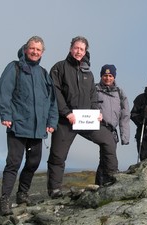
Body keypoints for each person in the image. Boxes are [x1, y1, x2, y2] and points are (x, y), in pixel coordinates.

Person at [47, 36, 118, 198]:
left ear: (85, 51)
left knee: (108, 140)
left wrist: (96, 112)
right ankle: (54, 190)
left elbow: (92, 96)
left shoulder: (89, 74)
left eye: (82, 49)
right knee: (58, 156)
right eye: (76, 48)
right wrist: (66, 113)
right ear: (71, 48)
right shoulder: (59, 68)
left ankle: (112, 176)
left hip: (86, 119)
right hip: (66, 120)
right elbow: (55, 93)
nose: (79, 52)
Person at [0, 36, 58, 216]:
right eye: (32, 48)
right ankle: (5, 199)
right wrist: (5, 115)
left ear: (42, 52)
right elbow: (3, 91)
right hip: (18, 125)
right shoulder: (14, 67)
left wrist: (51, 122)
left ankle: (22, 193)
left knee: (33, 162)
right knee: (13, 163)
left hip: (38, 128)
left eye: (38, 50)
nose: (35, 52)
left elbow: (52, 100)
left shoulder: (43, 73)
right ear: (26, 49)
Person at [95, 64, 130, 185]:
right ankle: (108, 182)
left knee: (105, 158)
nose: (108, 78)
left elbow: (125, 116)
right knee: (109, 158)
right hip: (99, 128)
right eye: (105, 75)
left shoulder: (119, 93)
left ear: (114, 76)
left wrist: (124, 136)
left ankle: (100, 184)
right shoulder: (94, 90)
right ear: (101, 76)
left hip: (112, 131)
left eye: (110, 76)